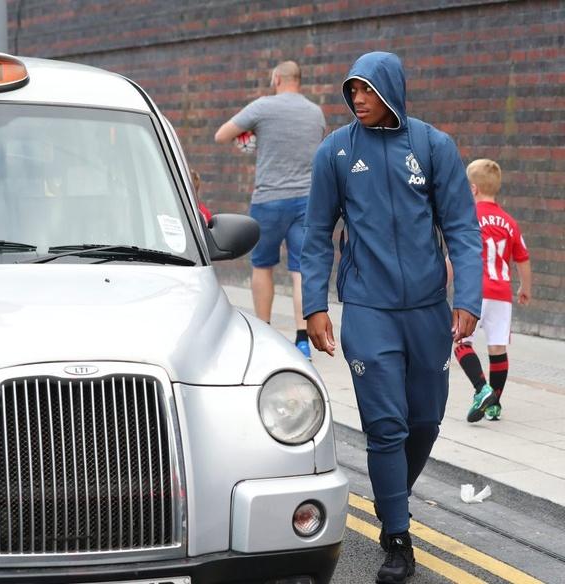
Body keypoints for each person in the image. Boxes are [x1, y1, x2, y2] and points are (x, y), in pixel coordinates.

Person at [300, 52, 482, 584]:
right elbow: (316, 233)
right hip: (368, 309)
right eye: (352, 90)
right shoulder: (335, 151)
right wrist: (314, 305)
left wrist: (468, 299)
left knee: (425, 422)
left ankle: (390, 497)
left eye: (367, 90)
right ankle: (397, 538)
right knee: (386, 426)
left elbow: (462, 228)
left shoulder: (433, 146)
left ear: (391, 91)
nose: (357, 99)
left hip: (427, 310)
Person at [214, 60, 326, 359]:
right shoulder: (315, 112)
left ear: (277, 79)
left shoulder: (262, 107)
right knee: (301, 270)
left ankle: (263, 334)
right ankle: (303, 341)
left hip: (269, 200)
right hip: (307, 199)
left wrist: (250, 134)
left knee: (262, 266)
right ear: (298, 80)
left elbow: (221, 135)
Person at [454, 159, 531, 422]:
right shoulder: (509, 222)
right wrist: (525, 288)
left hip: (475, 292)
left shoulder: (470, 217)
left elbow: (458, 253)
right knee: (498, 348)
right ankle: (495, 404)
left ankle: (482, 389)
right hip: (502, 294)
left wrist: (443, 279)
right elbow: (522, 258)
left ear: (473, 189)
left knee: (461, 342)